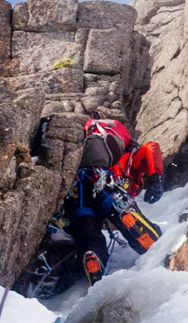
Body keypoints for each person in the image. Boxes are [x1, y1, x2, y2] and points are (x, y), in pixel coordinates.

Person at [20, 117, 164, 298]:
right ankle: (129, 219)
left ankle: (91, 256)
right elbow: (152, 147)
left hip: (77, 190)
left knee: (86, 228)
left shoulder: (91, 139)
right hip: (103, 181)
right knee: (116, 205)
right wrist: (156, 177)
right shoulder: (127, 154)